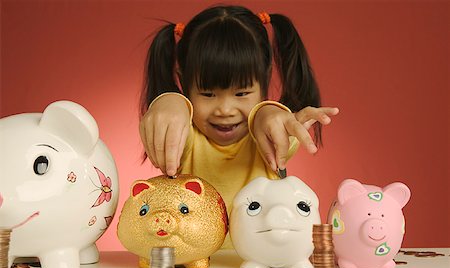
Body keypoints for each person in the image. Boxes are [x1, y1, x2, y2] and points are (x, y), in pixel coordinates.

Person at [139, 5, 339, 247]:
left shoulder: (270, 138)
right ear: (183, 79)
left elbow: (269, 123)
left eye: (242, 92)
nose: (225, 109)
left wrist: (269, 112)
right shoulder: (184, 138)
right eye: (207, 94)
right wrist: (169, 100)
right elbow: (173, 118)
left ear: (265, 75)